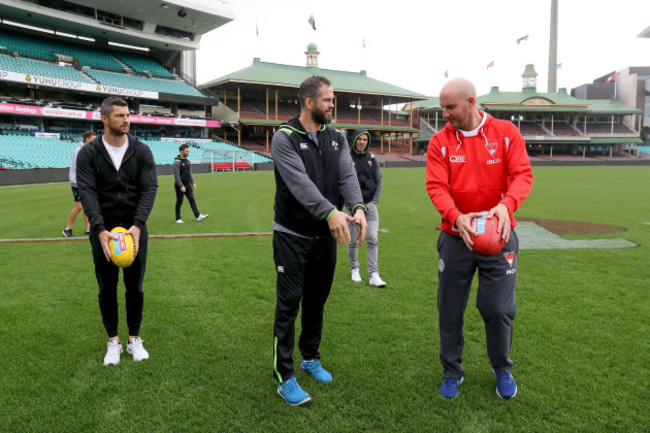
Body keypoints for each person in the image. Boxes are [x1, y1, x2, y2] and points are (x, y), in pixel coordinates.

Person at [425, 78, 533, 400]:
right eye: (443, 107)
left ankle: (502, 368)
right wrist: (457, 218)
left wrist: (505, 206)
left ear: (471, 102)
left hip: (498, 236)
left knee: (499, 308)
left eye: (450, 107)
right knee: (450, 309)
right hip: (456, 238)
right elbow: (436, 187)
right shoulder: (439, 142)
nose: (445, 114)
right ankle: (451, 372)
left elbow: (523, 175)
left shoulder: (506, 134)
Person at [271, 76, 368, 406]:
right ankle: (284, 377)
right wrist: (331, 212)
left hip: (326, 236)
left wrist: (357, 207)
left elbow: (347, 177)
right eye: (327, 100)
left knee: (316, 301)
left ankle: (309, 356)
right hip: (291, 236)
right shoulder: (284, 137)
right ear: (309, 102)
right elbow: (300, 186)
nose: (332, 105)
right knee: (289, 306)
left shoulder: (337, 138)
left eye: (333, 99)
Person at [76, 96, 158, 366]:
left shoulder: (142, 150)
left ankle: (135, 338)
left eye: (127, 115)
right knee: (106, 287)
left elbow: (149, 189)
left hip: (134, 230)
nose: (126, 120)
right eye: (120, 116)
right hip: (104, 231)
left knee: (135, 286)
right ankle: (113, 341)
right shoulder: (89, 153)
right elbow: (87, 192)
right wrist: (98, 229)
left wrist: (137, 225)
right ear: (104, 119)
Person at [346, 128, 386, 287]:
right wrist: (349, 204)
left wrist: (374, 202)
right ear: (354, 140)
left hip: (370, 206)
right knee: (353, 241)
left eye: (365, 140)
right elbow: (342, 183)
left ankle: (373, 274)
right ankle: (354, 267)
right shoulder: (347, 159)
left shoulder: (372, 159)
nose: (362, 142)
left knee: (373, 239)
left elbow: (379, 182)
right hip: (353, 208)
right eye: (359, 139)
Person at [62, 131, 96, 237]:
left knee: (86, 205)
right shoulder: (80, 151)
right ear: (87, 139)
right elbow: (80, 168)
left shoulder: (88, 150)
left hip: (84, 182)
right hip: (77, 182)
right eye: (93, 139)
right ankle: (68, 228)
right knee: (79, 206)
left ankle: (88, 228)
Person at [173, 143, 208, 223]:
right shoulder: (177, 162)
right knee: (179, 201)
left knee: (192, 200)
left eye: (188, 151)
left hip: (187, 184)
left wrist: (193, 182)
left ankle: (198, 216)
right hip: (180, 185)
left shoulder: (187, 161)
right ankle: (178, 218)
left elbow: (189, 173)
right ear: (181, 151)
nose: (188, 152)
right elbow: (176, 175)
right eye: (186, 151)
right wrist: (181, 186)